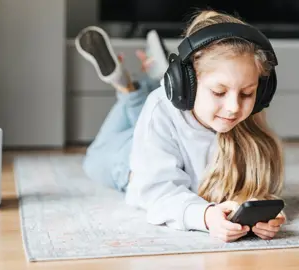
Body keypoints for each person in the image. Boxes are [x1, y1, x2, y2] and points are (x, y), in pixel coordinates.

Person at [75, 10, 286, 243]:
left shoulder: (247, 118)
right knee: (94, 160)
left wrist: (261, 212)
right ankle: (126, 88)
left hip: (165, 123)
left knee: (152, 108)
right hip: (128, 159)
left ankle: (147, 81)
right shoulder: (160, 109)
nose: (233, 107)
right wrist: (204, 215)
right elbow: (157, 192)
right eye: (219, 92)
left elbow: (259, 190)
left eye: (247, 93)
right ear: (187, 84)